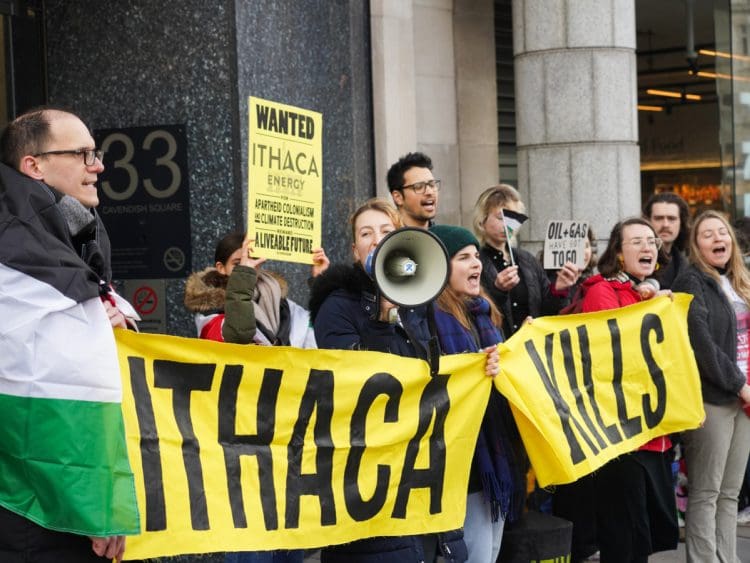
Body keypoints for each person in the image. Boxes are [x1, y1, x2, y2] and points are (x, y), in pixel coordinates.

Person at [0, 107, 137, 561]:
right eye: (81, 154)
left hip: (58, 504)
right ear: (32, 165)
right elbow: (55, 376)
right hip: (29, 512)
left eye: (94, 153)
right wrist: (93, 504)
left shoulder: (74, 231)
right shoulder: (13, 245)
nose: (97, 165)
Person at [309, 198, 467, 563]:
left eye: (386, 232)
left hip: (419, 468)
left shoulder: (415, 303)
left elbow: (430, 373)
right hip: (367, 481)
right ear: (354, 250)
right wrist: (381, 322)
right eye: (366, 233)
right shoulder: (337, 306)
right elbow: (353, 384)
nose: (376, 239)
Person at [575, 217, 678, 562]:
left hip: (650, 428)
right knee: (623, 533)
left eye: (651, 241)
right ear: (619, 253)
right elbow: (611, 349)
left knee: (642, 536)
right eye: (636, 242)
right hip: (619, 433)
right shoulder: (601, 290)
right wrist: (649, 307)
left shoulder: (651, 290)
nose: (648, 246)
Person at [427, 224, 526, 563]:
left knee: (491, 551)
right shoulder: (433, 318)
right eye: (463, 257)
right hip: (466, 459)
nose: (476, 264)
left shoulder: (482, 313)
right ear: (440, 266)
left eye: (475, 256)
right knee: (476, 555)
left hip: (493, 447)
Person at [672, 210, 750, 562]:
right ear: (696, 246)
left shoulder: (740, 281)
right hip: (714, 398)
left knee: (730, 493)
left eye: (722, 232)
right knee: (706, 492)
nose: (718, 238)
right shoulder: (692, 282)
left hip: (744, 399)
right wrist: (739, 385)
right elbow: (701, 343)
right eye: (708, 234)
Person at [184, 231, 326, 348]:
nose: (248, 266)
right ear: (221, 268)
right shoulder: (211, 311)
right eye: (238, 263)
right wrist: (244, 275)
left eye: (252, 260)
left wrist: (320, 280)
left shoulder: (281, 303)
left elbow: (319, 332)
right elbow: (237, 336)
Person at [472, 184, 579, 337]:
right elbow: (472, 311)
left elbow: (546, 311)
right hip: (496, 351)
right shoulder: (475, 261)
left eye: (514, 218)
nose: (508, 225)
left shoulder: (527, 259)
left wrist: (559, 289)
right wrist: (497, 291)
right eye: (501, 217)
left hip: (529, 349)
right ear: (482, 220)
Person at [643, 192, 690, 288]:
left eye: (671, 218)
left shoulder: (687, 264)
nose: (665, 224)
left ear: (681, 223)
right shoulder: (633, 261)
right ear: (648, 221)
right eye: (658, 218)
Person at [387, 151, 439, 228]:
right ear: (398, 197)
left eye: (432, 184)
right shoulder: (387, 238)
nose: (430, 192)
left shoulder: (447, 237)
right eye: (419, 186)